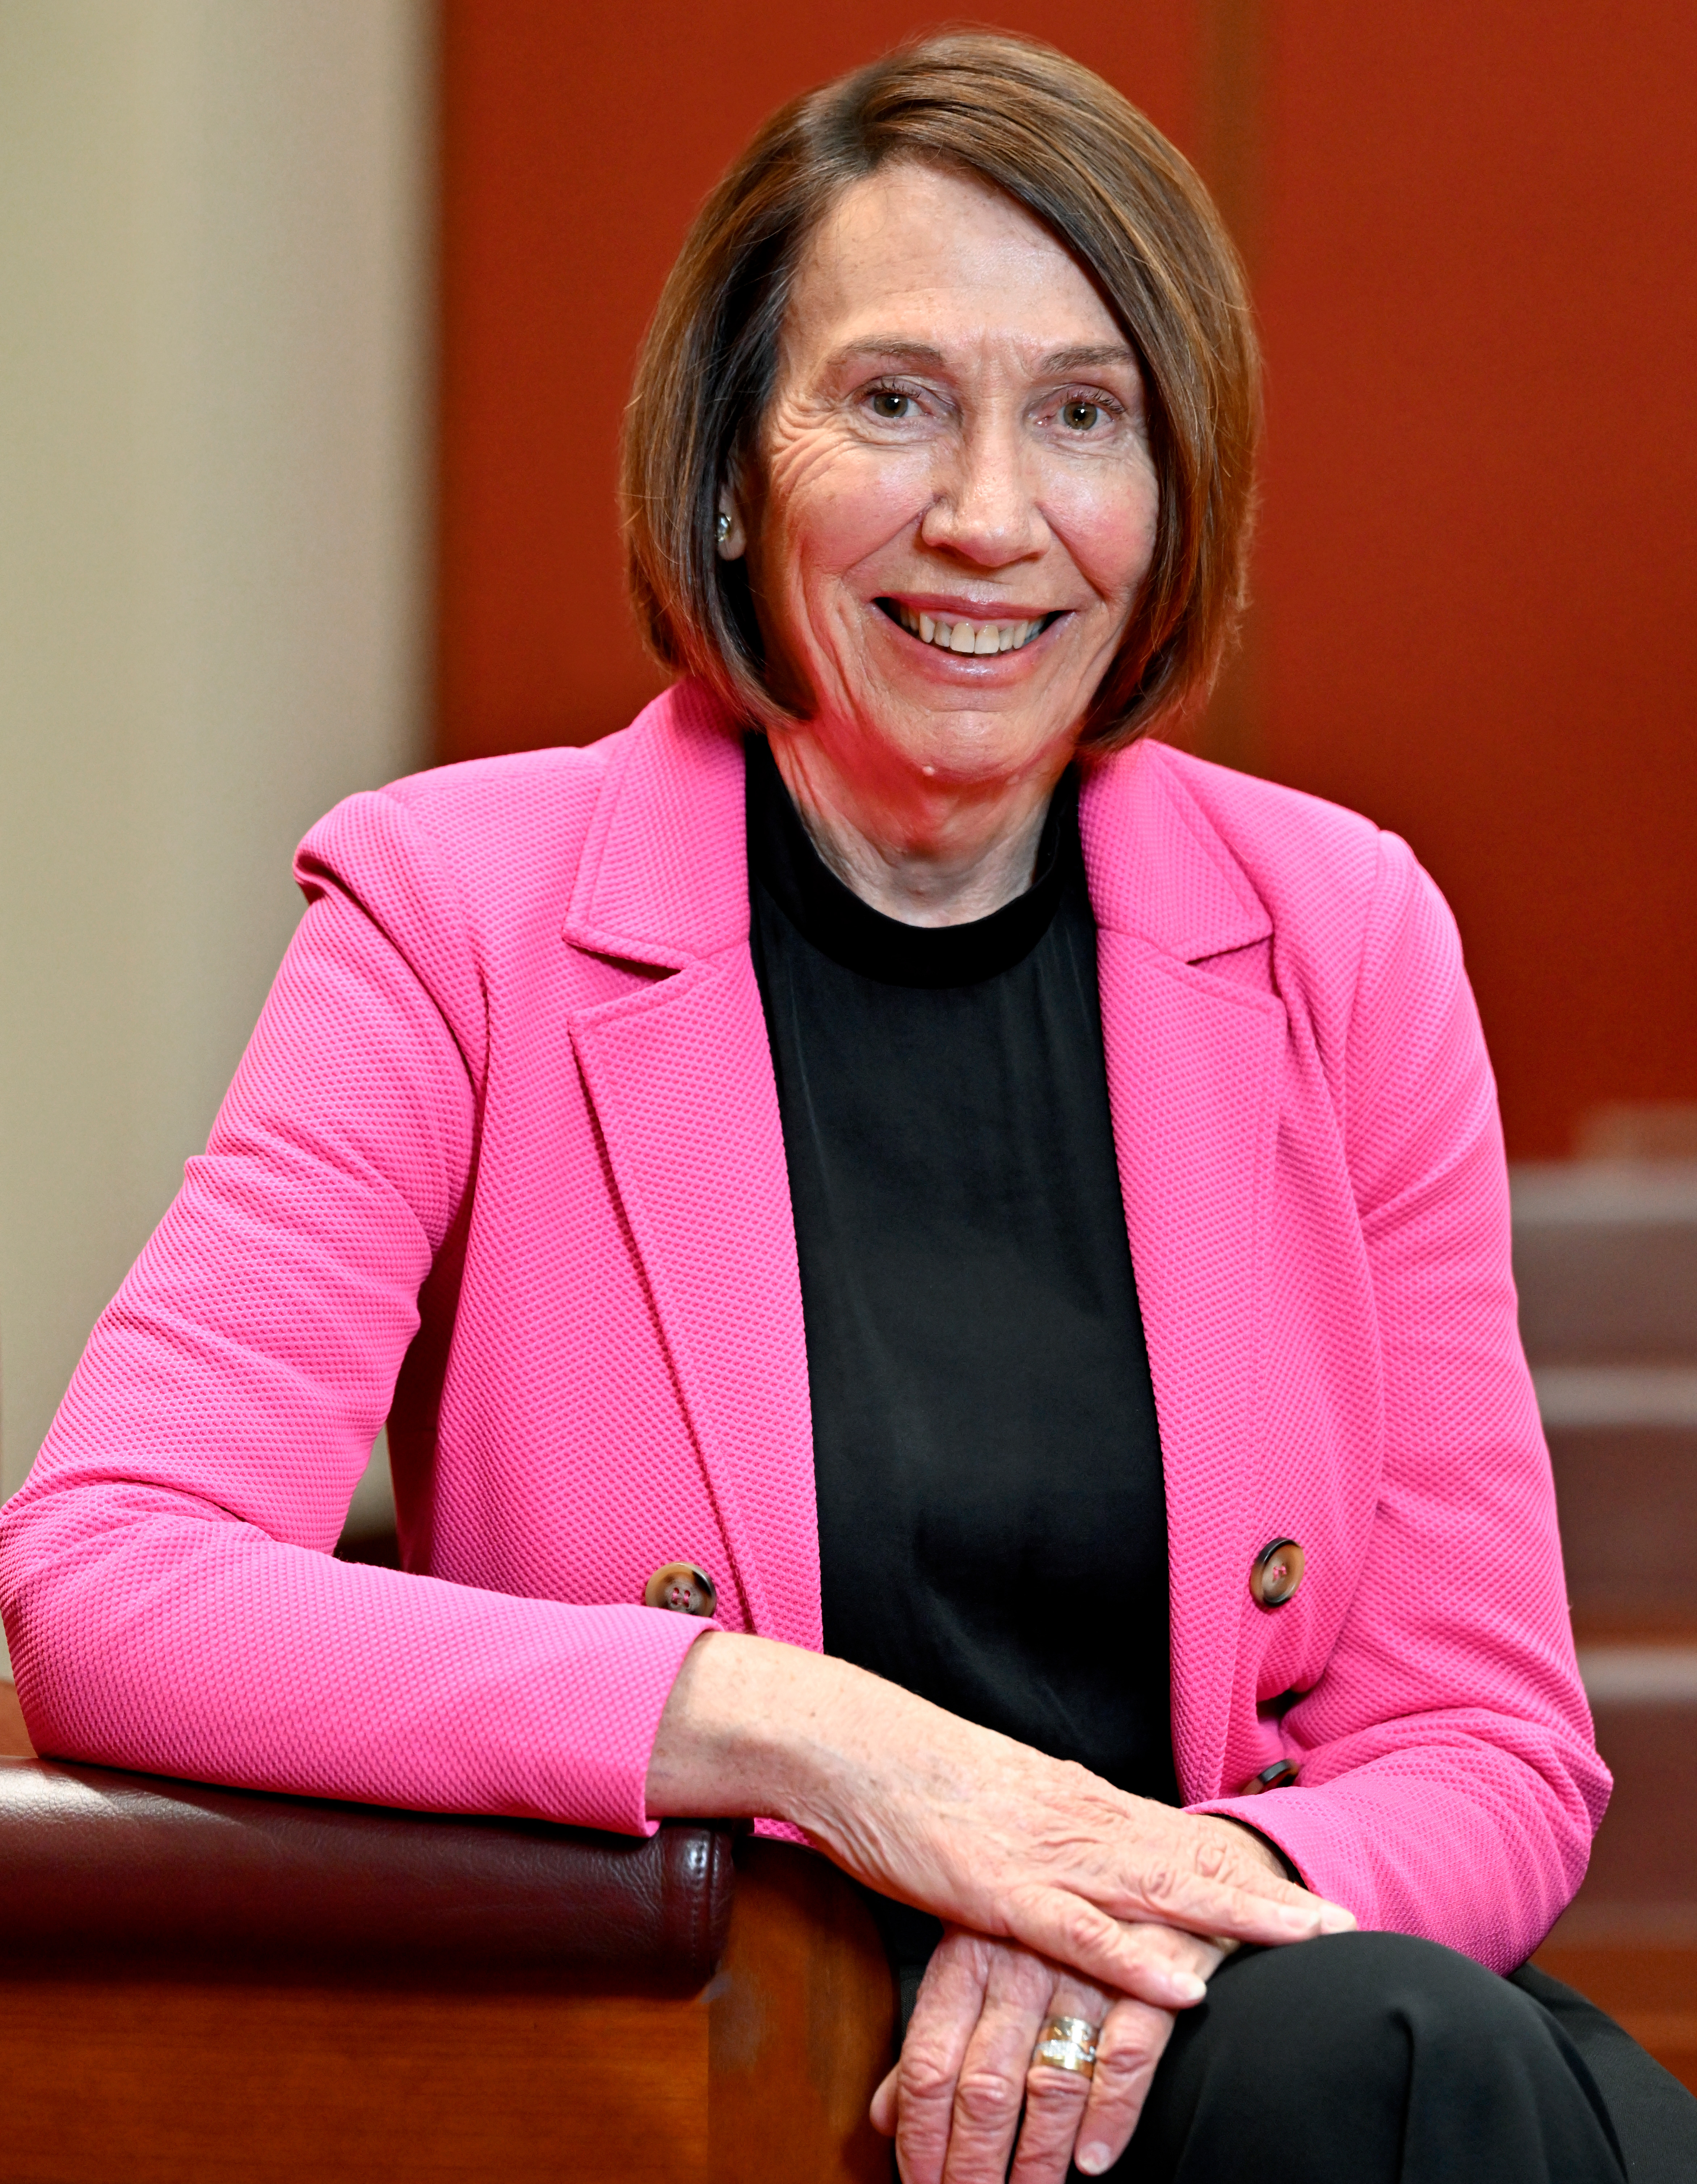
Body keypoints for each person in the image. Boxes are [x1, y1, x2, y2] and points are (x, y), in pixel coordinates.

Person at [2, 32, 1693, 2183]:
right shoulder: (460, 915)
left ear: (1172, 494)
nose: (988, 517)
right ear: (731, 469)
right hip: (739, 2069)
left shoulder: (1340, 933)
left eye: (1085, 416)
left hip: (1255, 2025)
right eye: (893, 401)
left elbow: (1485, 1743)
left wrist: (1098, 1923)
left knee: (1398, 2059)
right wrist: (823, 1743)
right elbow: (114, 1577)